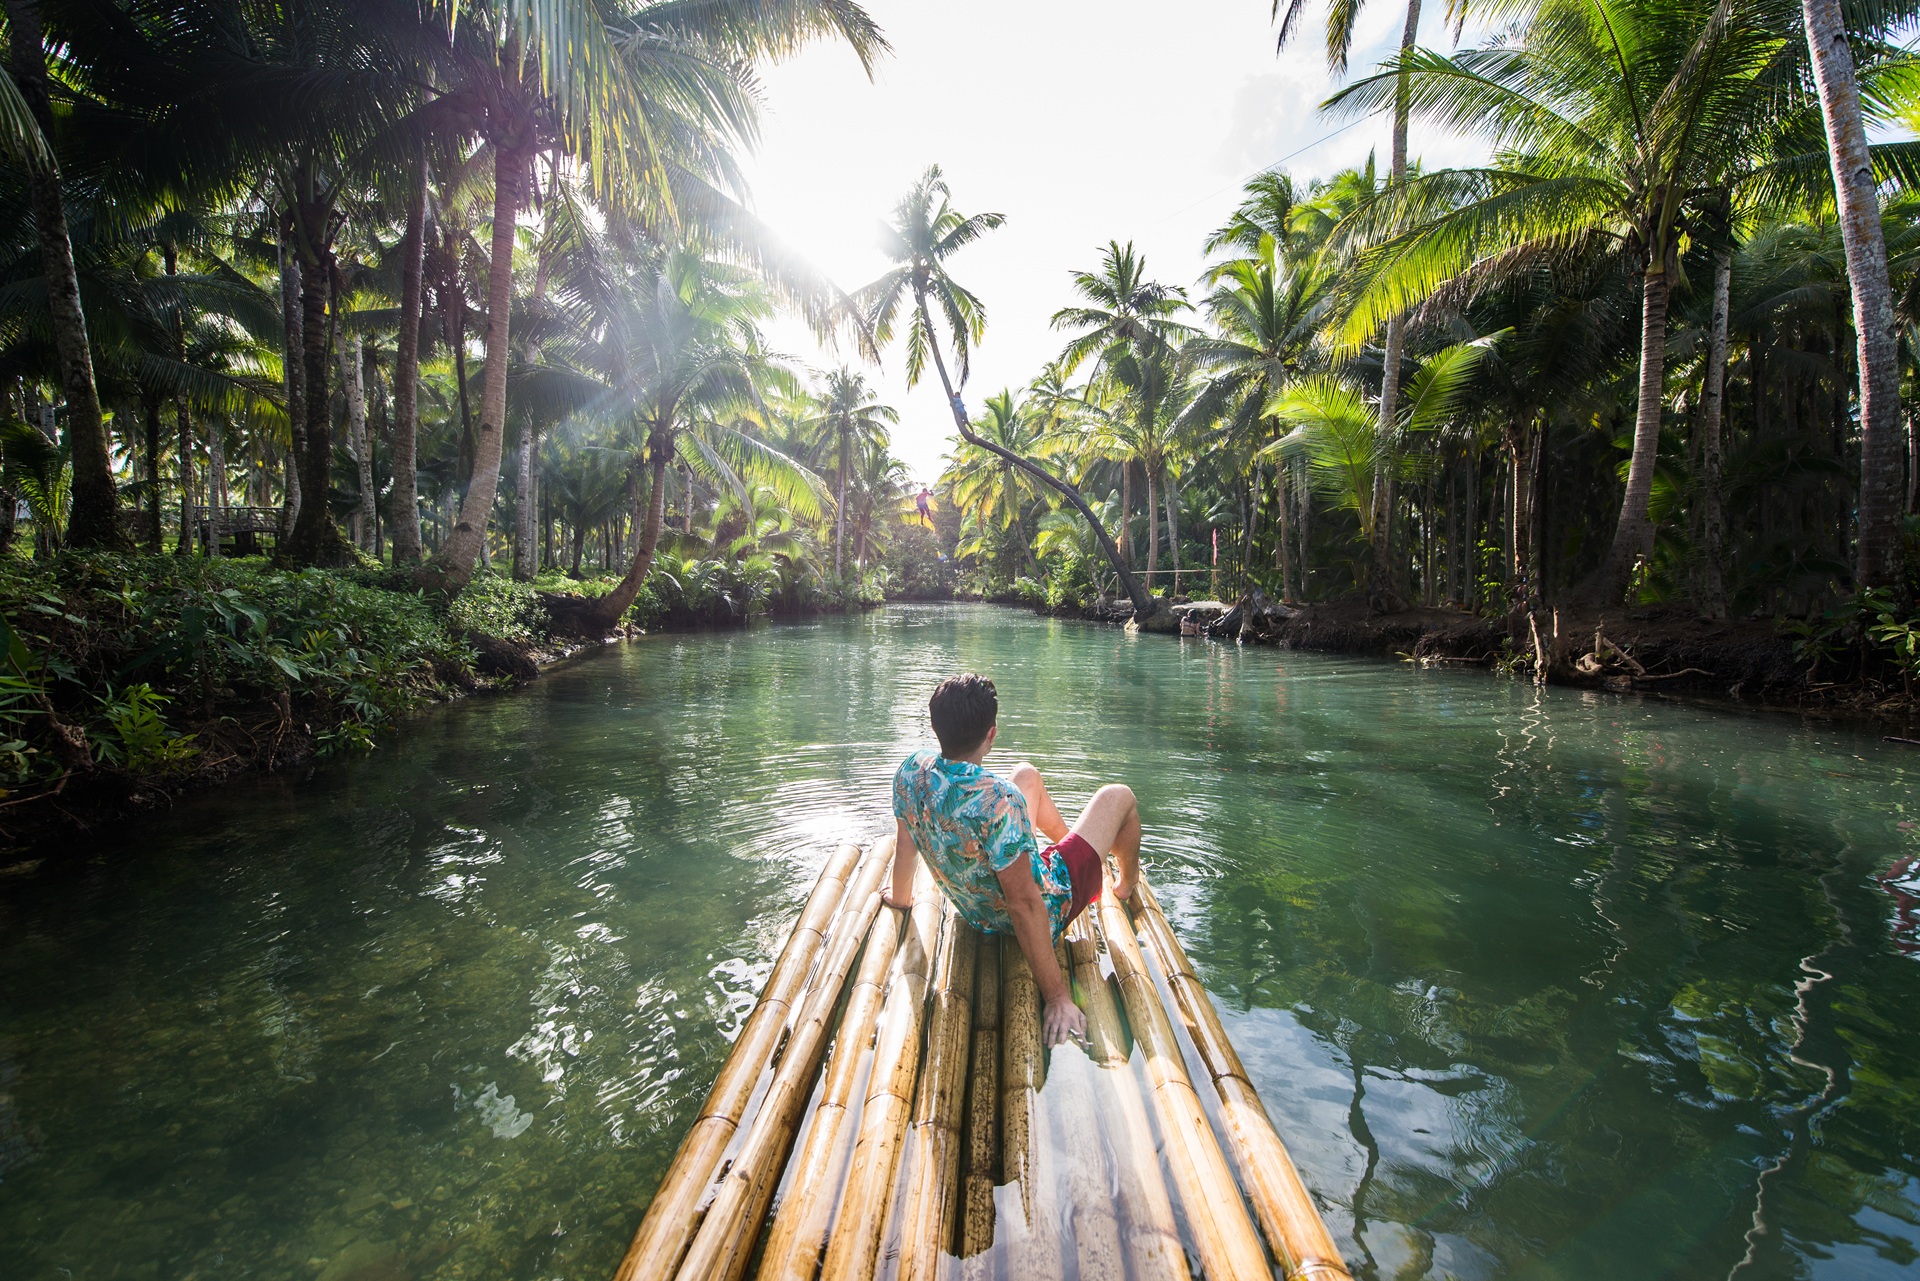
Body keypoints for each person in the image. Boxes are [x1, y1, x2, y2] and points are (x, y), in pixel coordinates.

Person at [888, 673, 1142, 1046]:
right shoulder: (999, 801)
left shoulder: (911, 772)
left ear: (935, 725)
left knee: (1027, 775)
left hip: (975, 909)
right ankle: (1126, 883)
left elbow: (905, 842)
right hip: (1039, 907)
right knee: (1119, 796)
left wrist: (899, 898)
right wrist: (1057, 996)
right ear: (991, 734)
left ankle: (1077, 844)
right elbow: (1025, 905)